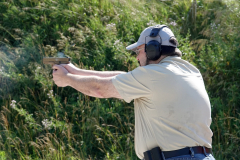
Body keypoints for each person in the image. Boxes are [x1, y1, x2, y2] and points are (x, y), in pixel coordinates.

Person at [52, 25, 215, 160]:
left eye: (139, 51)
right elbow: (120, 77)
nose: (137, 58)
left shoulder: (153, 75)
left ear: (153, 49)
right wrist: (75, 71)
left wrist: (67, 79)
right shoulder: (190, 70)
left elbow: (100, 88)